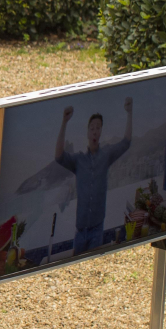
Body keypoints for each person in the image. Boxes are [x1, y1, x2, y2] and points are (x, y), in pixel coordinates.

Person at [54, 97, 133, 255]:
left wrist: (129, 113)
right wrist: (64, 122)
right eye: (92, 128)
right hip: (80, 229)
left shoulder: (106, 155)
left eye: (98, 127)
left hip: (97, 228)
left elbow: (126, 142)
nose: (95, 131)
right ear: (88, 132)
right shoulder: (78, 160)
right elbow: (59, 156)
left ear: (101, 131)